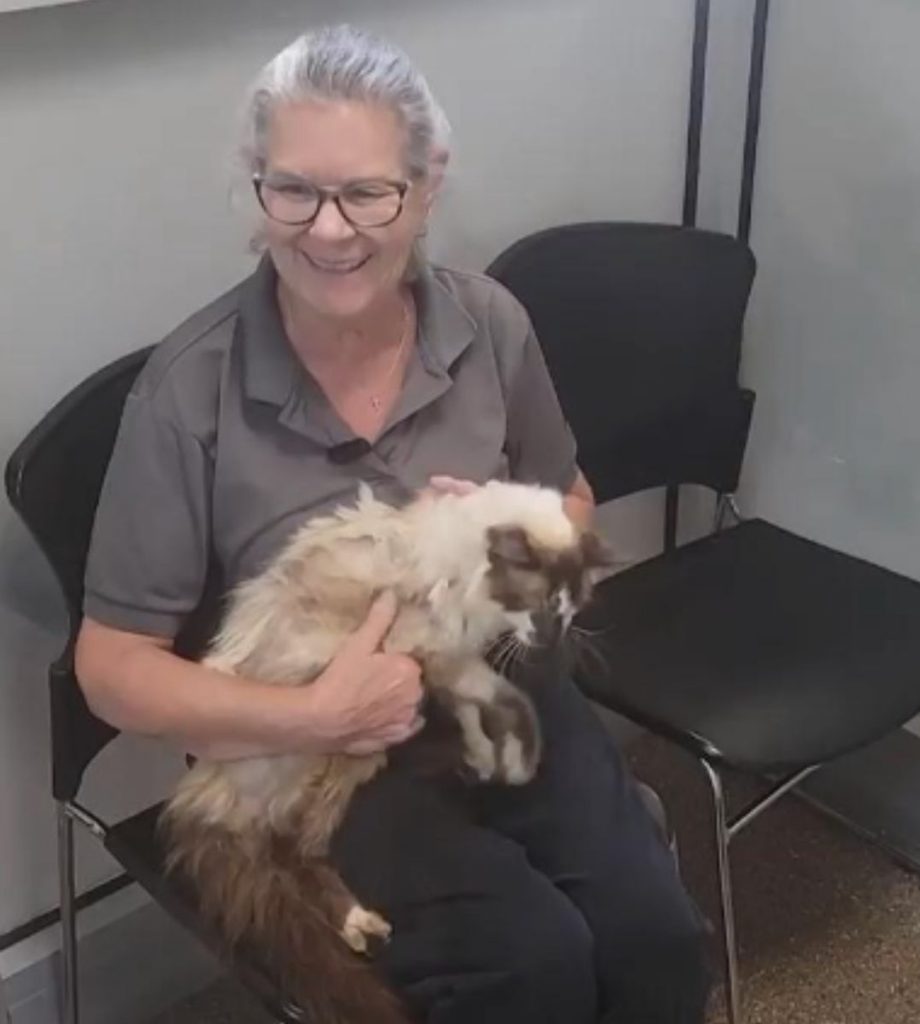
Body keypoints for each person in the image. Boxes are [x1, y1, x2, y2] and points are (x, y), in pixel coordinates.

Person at [75, 24, 710, 1024]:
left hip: (494, 674)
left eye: (368, 191)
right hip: (321, 741)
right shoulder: (187, 390)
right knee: (527, 963)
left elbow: (570, 496)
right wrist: (316, 714)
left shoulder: (489, 322)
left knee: (655, 940)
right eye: (293, 189)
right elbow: (110, 669)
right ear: (255, 190)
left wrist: (517, 535)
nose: (330, 230)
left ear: (427, 184)